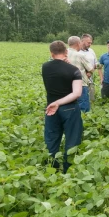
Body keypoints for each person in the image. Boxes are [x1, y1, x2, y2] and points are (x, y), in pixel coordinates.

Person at [41, 41, 83, 173]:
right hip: (70, 108)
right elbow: (77, 93)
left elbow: (55, 67)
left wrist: (55, 103)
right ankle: (68, 170)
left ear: (51, 53)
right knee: (72, 139)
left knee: (52, 138)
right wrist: (60, 102)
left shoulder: (45, 67)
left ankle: (51, 168)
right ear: (66, 52)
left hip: (51, 108)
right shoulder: (74, 70)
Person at [67, 36, 93, 112]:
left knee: (70, 105)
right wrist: (88, 72)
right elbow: (91, 69)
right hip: (80, 84)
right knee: (83, 105)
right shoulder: (80, 55)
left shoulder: (64, 53)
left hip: (66, 84)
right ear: (78, 43)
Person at [80, 34, 98, 101]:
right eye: (88, 42)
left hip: (90, 79)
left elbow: (96, 63)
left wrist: (91, 71)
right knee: (81, 99)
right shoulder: (77, 51)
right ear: (82, 41)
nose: (90, 44)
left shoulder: (91, 51)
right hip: (80, 80)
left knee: (91, 98)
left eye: (91, 43)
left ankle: (91, 109)